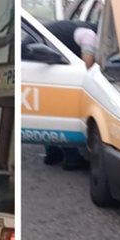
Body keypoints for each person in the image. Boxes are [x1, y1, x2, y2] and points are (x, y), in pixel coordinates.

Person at [42, 20, 97, 170]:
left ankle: (52, 153)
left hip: (41, 62)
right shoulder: (90, 35)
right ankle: (71, 158)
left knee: (51, 111)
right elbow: (88, 64)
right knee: (64, 112)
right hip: (39, 60)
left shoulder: (79, 29)